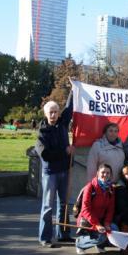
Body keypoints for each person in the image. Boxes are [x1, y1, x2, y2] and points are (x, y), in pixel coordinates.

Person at [35, 93, 74, 247]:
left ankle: (64, 234)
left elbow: (69, 109)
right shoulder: (42, 133)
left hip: (65, 170)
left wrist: (73, 89)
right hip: (50, 173)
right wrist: (65, 151)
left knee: (64, 204)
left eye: (55, 111)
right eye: (50, 112)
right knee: (48, 206)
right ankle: (45, 237)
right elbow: (45, 154)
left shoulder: (63, 124)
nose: (53, 114)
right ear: (45, 114)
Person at [75, 163, 117, 255]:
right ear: (97, 173)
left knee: (114, 229)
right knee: (101, 236)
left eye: (108, 173)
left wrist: (106, 223)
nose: (105, 175)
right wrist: (97, 225)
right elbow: (85, 210)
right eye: (103, 172)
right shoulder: (90, 187)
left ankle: (100, 245)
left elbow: (110, 209)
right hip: (87, 220)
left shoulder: (110, 189)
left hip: (101, 220)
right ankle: (80, 244)